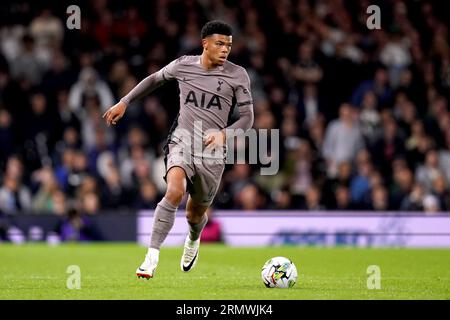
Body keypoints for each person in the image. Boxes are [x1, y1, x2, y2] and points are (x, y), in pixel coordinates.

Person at [102, 21, 254, 279]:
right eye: (219, 43)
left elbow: (248, 118)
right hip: (182, 141)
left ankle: (193, 239)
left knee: (195, 214)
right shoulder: (183, 65)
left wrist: (225, 133)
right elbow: (154, 79)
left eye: (228, 44)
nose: (225, 49)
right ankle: (151, 257)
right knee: (174, 191)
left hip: (213, 153)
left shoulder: (238, 74)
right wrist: (124, 101)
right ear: (204, 43)